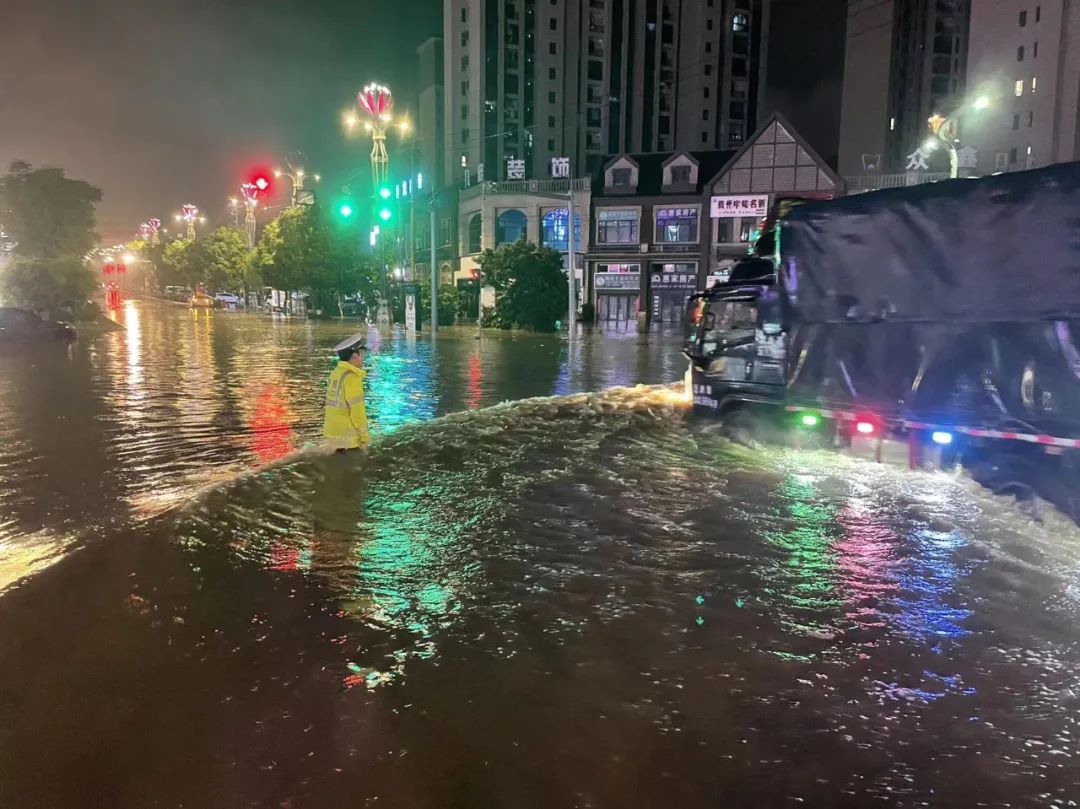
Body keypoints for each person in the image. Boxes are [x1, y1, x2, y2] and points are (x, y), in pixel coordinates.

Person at [323, 333, 370, 450]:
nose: (363, 358)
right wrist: (365, 438)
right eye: (361, 355)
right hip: (348, 440)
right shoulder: (352, 378)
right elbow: (357, 412)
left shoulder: (336, 373)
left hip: (332, 435)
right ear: (354, 356)